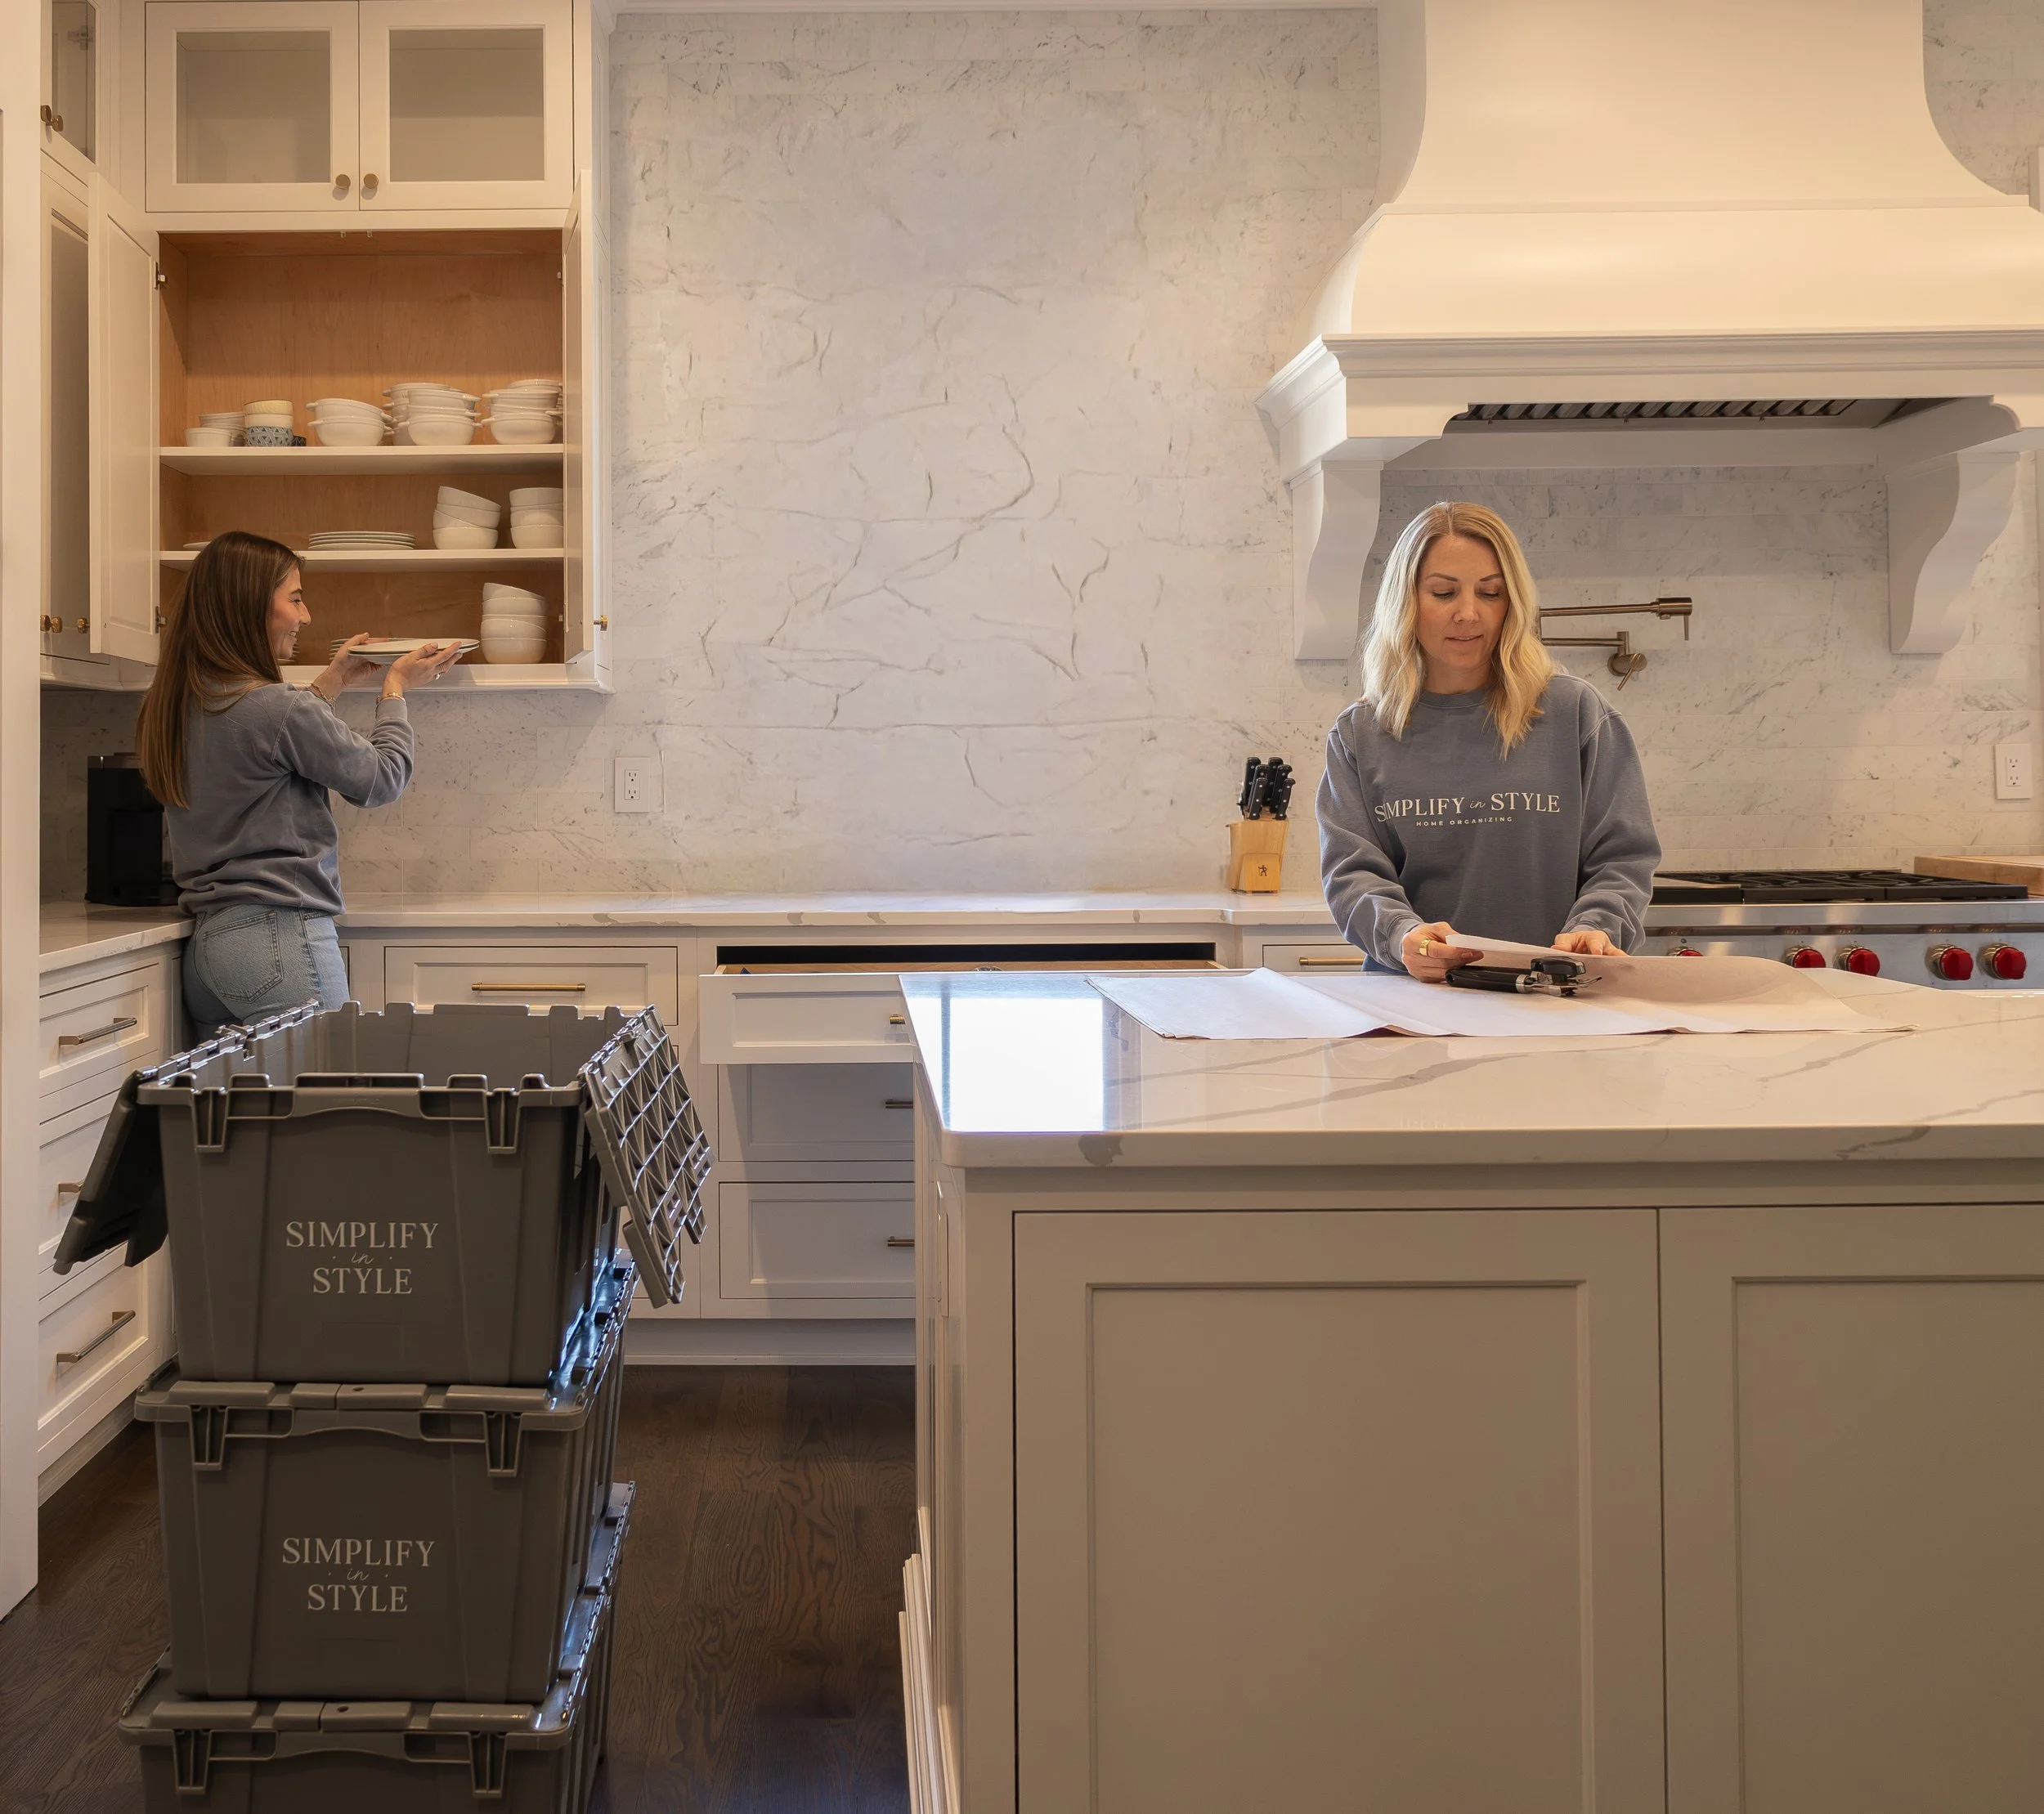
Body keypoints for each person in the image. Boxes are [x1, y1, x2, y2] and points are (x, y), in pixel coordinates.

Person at [135, 530, 465, 1033]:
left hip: (209, 951)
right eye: (295, 599)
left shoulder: (171, 707)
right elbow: (382, 779)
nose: (305, 616)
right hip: (278, 940)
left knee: (240, 1091)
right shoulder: (275, 707)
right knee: (324, 1084)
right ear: (252, 607)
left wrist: (335, 679)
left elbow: (270, 737)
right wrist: (396, 690)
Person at [1317, 500, 1660, 982]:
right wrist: (1403, 936)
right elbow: (1353, 874)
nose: (1468, 613)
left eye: (1490, 592)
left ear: (1512, 603)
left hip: (1557, 993)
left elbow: (1622, 856)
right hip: (1415, 997)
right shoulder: (1360, 733)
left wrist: (1597, 926)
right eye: (1443, 593)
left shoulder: (1577, 713)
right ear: (1406, 601)